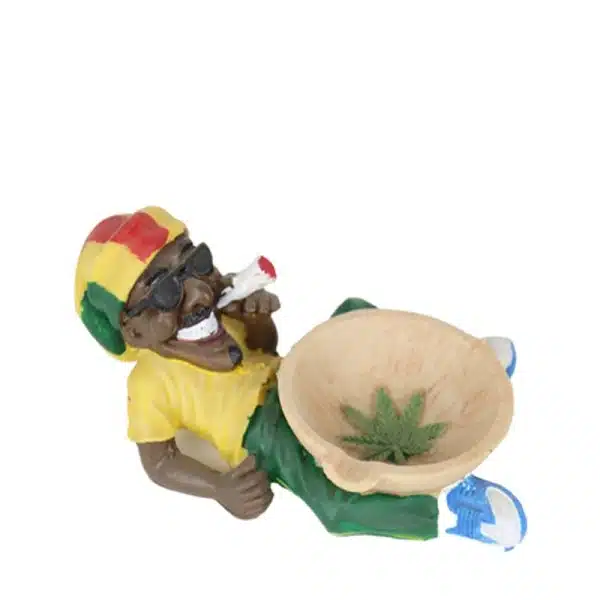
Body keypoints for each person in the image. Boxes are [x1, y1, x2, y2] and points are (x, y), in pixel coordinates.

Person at [75, 205, 516, 541]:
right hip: (262, 432)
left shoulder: (217, 311)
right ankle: (450, 506)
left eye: (195, 264)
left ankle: (463, 367)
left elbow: (264, 349)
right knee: (336, 509)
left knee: (353, 316)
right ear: (134, 330)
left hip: (292, 376)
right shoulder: (148, 384)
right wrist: (218, 488)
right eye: (165, 291)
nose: (198, 294)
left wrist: (255, 318)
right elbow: (158, 463)